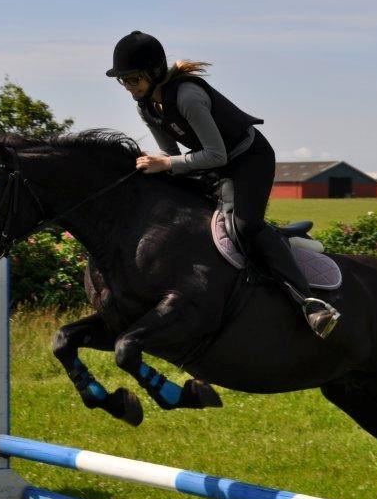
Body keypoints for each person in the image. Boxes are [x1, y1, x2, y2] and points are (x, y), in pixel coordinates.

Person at [106, 30, 340, 339]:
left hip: (247, 159)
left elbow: (215, 155)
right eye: (124, 81)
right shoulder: (146, 106)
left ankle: (310, 303)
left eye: (134, 79)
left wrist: (166, 164)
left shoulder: (188, 96)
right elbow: (170, 155)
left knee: (245, 227)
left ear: (154, 72)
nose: (129, 88)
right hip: (212, 162)